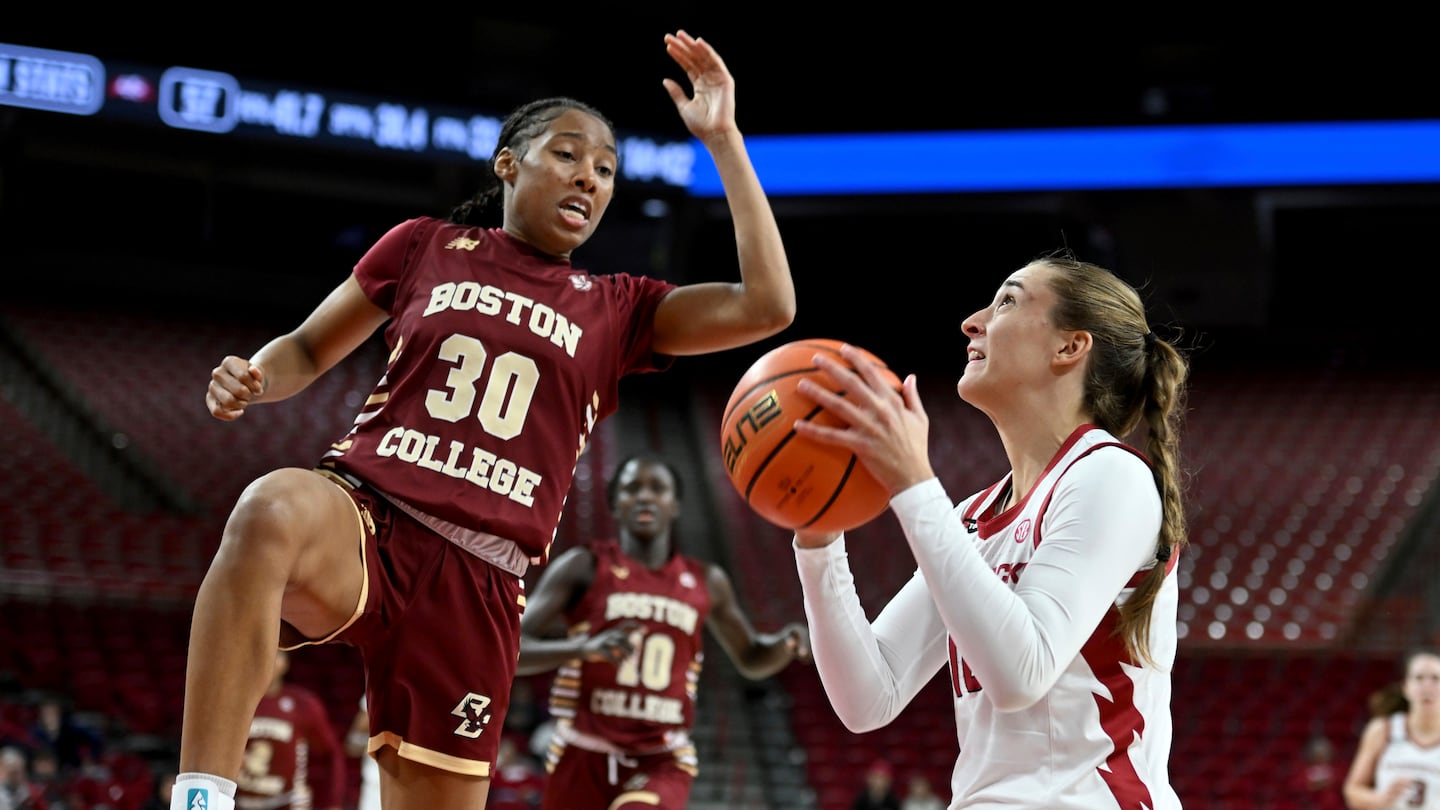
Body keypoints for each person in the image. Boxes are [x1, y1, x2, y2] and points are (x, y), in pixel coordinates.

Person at [175, 28, 796, 810]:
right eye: (568, 154)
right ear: (509, 162)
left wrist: (725, 142)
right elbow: (304, 347)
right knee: (269, 506)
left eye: (606, 170)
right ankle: (199, 796)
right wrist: (256, 376)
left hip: (482, 581)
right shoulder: (424, 245)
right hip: (371, 514)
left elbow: (768, 305)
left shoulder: (619, 307)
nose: (590, 178)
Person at [788, 253, 1189, 808]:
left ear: (1069, 346)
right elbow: (867, 697)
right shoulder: (971, 516)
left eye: (1007, 301)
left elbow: (1022, 673)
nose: (971, 321)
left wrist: (913, 483)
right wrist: (818, 539)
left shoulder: (1110, 474)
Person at [516, 454, 811, 809]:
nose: (644, 497)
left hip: (661, 756)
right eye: (631, 488)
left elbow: (750, 657)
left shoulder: (707, 581)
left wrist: (785, 644)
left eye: (658, 489)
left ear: (674, 505)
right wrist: (583, 648)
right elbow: (511, 649)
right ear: (614, 503)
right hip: (581, 752)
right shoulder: (584, 566)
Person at [232, 650, 343, 810]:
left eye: (277, 654)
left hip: (288, 803)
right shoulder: (235, 702)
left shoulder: (303, 704)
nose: (269, 660)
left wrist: (333, 802)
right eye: (263, 653)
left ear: (286, 663)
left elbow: (331, 753)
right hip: (240, 802)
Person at [1342, 647, 1440, 809]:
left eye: (1436, 678)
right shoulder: (1382, 729)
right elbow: (1352, 791)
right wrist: (1380, 799)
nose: (1427, 686)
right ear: (1406, 687)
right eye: (1419, 678)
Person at [342, 699, 379, 810]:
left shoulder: (383, 687)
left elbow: (353, 744)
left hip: (380, 780)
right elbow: (352, 746)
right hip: (378, 781)